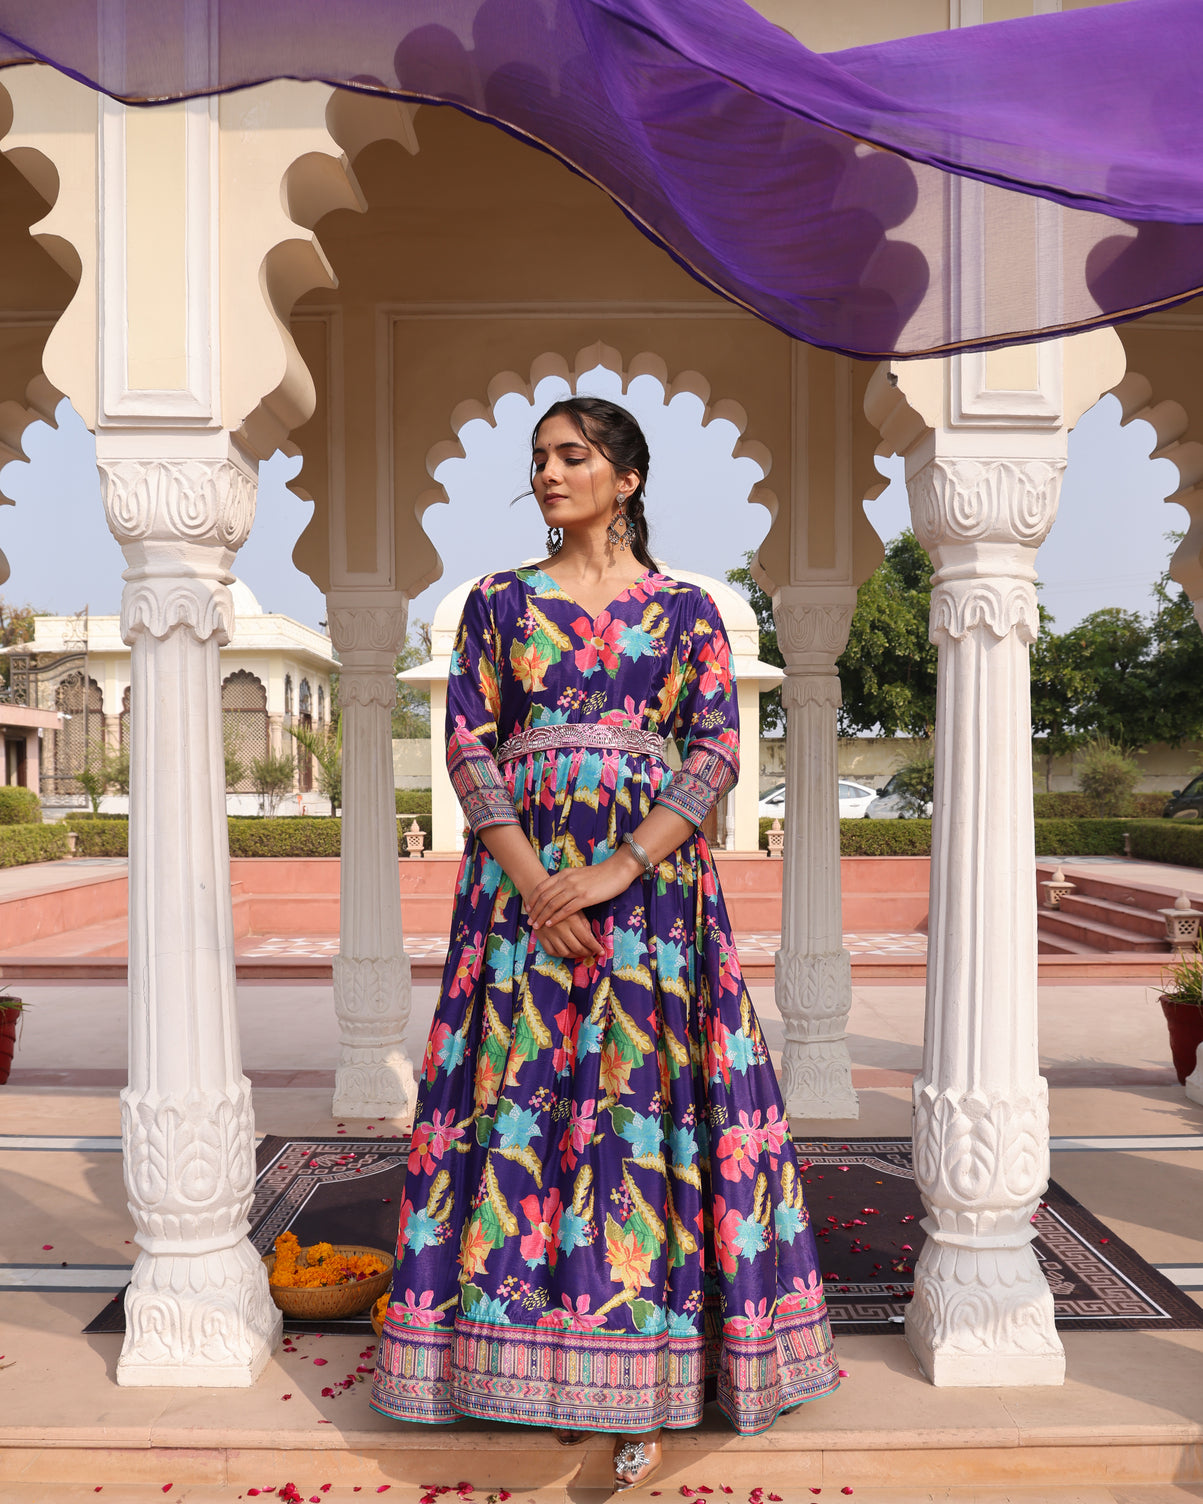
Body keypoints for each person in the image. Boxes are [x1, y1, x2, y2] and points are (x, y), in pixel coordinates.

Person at [371, 396, 839, 1488]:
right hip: (519, 899)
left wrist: (619, 867)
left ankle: (651, 1389)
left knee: (642, 1127)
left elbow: (714, 752)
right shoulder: (496, 601)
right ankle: (514, 1365)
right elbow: (469, 747)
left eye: (571, 456)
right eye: (537, 458)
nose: (547, 473)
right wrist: (540, 885)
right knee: (520, 1112)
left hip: (654, 909)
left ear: (626, 477)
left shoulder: (687, 612)